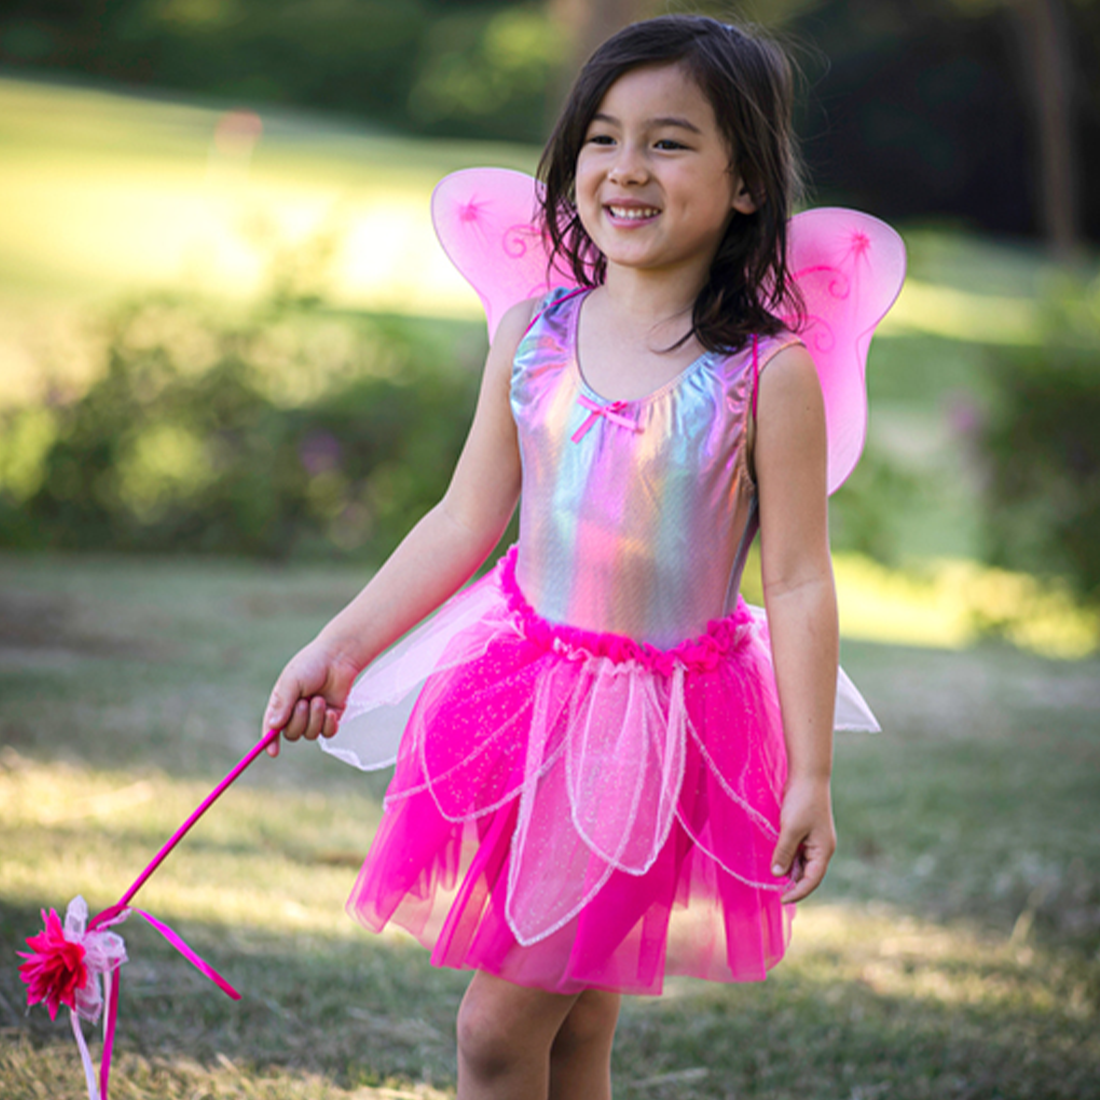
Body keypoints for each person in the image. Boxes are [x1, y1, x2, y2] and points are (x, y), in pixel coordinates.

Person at [262, 15, 892, 1100]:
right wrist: (341, 645)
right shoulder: (534, 333)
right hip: (520, 702)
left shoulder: (762, 372)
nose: (625, 168)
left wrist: (810, 771)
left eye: (668, 141)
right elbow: (463, 520)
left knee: (495, 1032)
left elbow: (794, 576)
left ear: (745, 183)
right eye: (601, 137)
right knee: (571, 1028)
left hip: (654, 733)